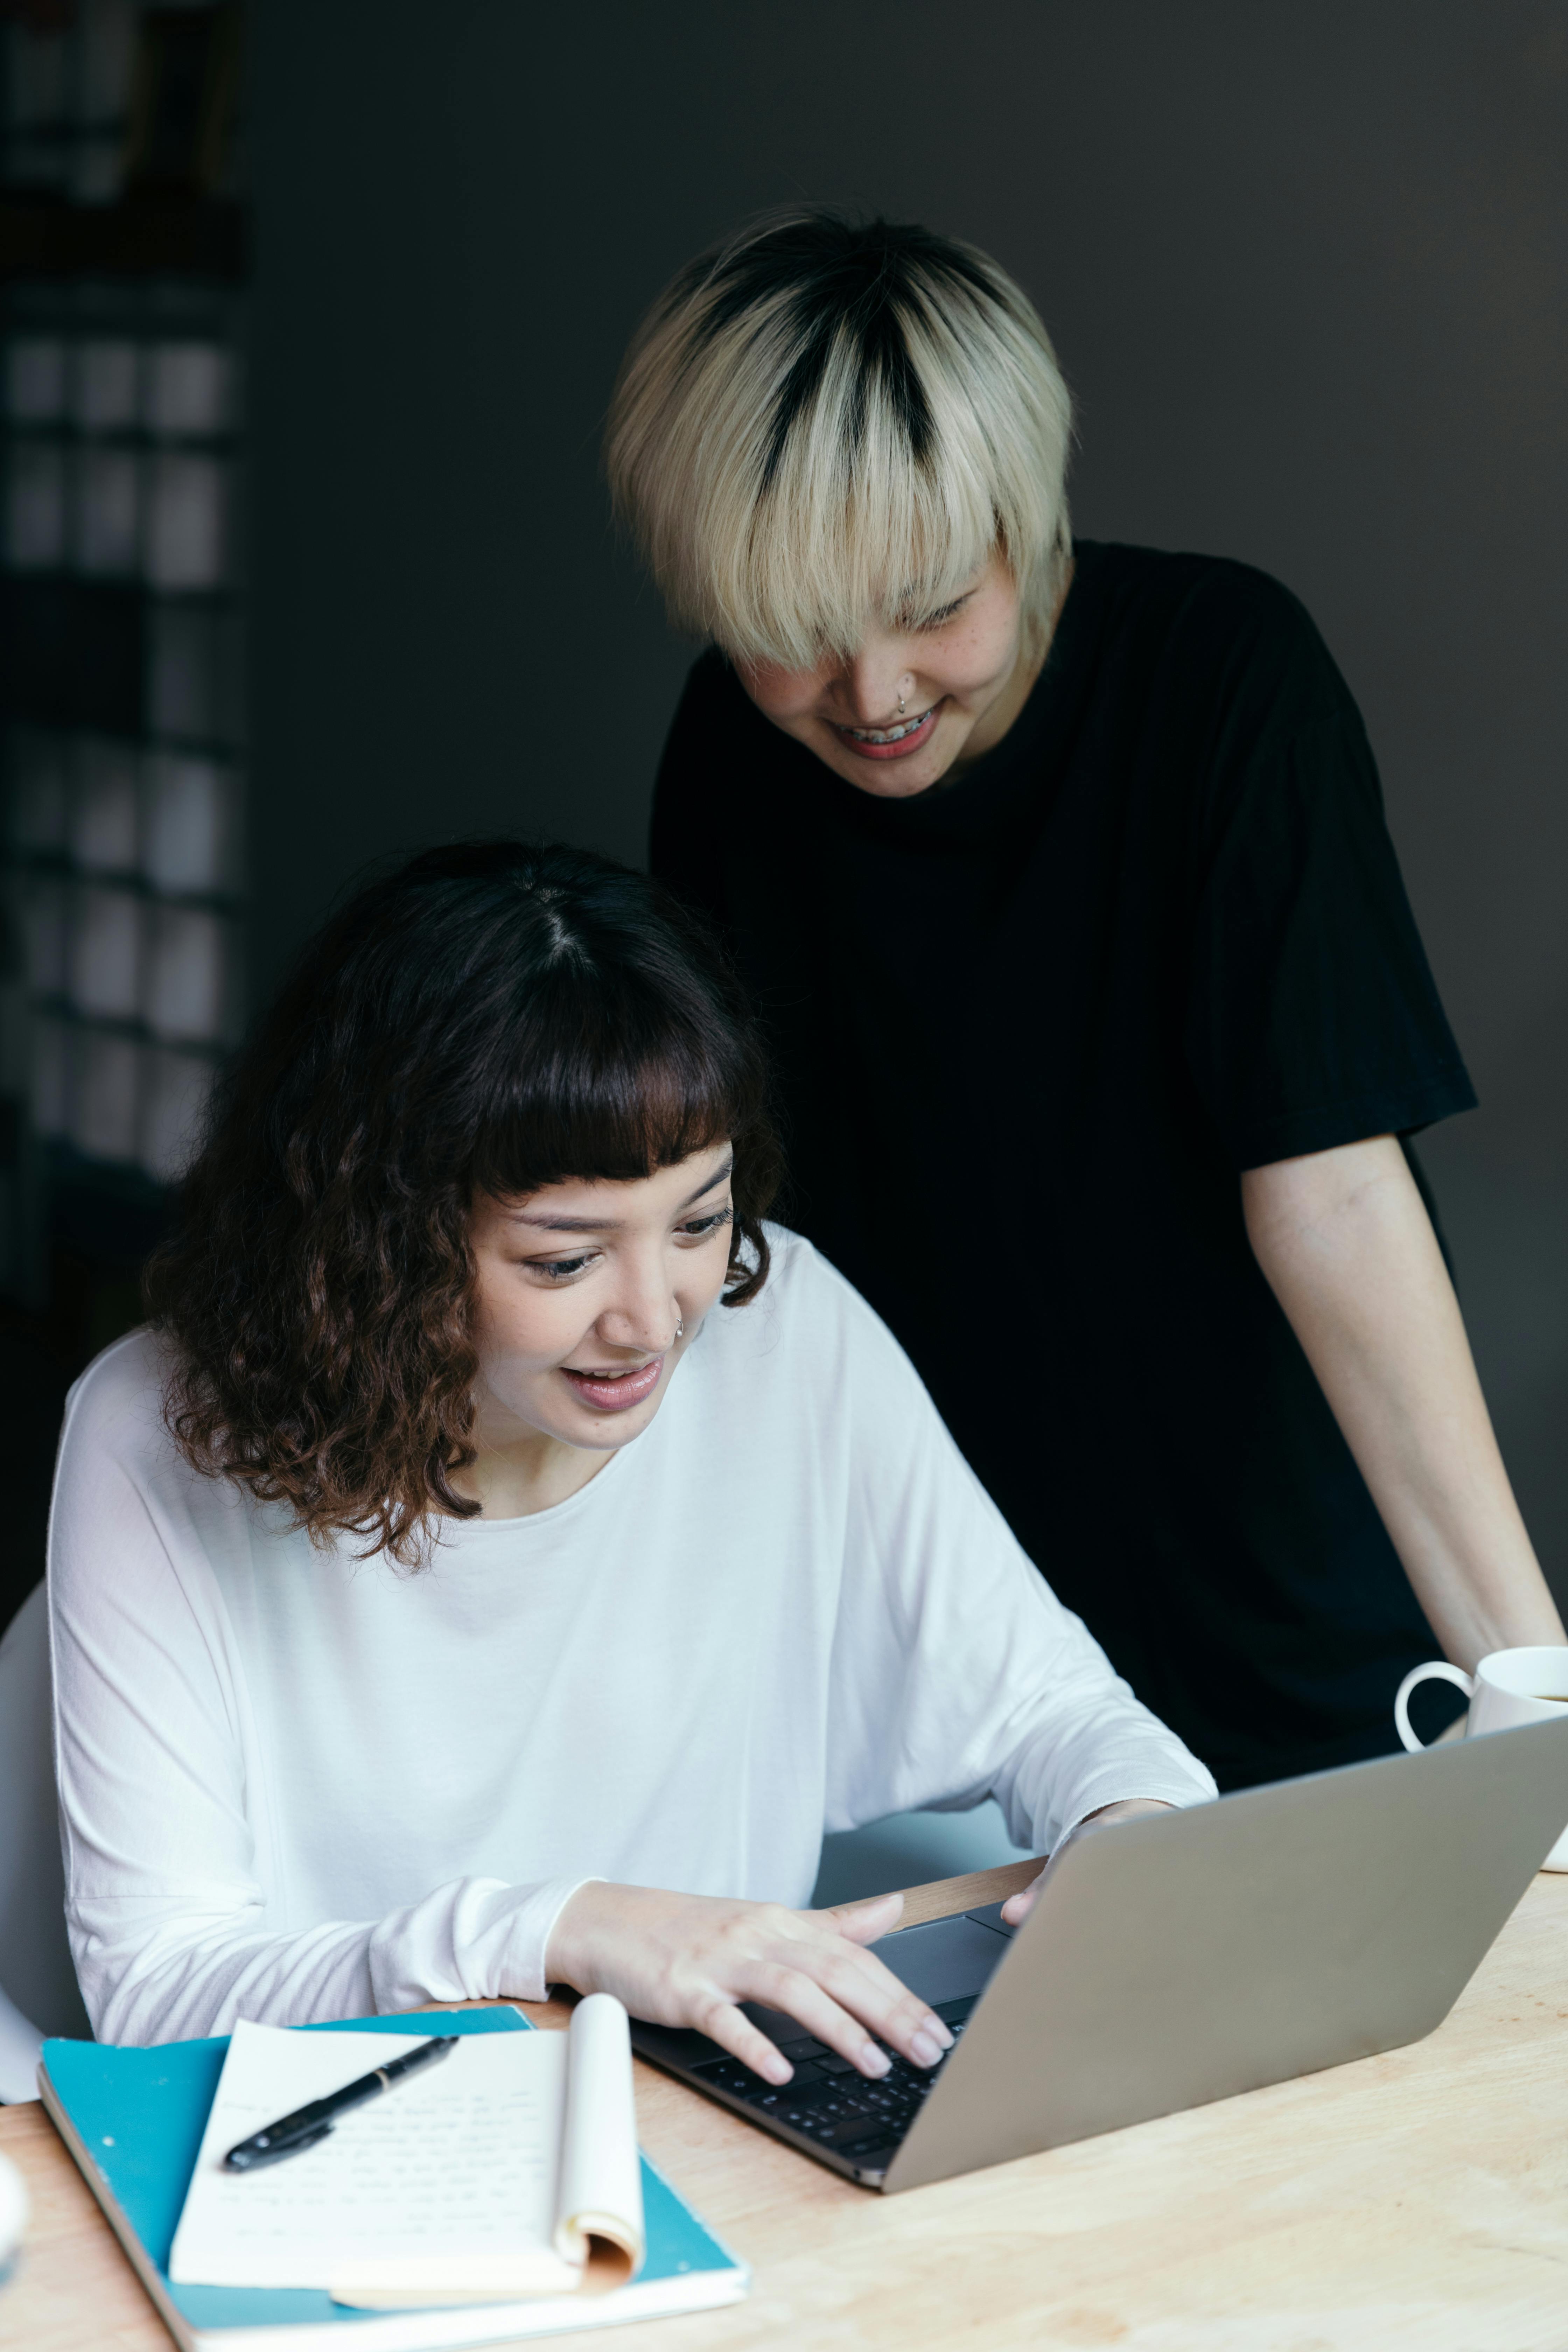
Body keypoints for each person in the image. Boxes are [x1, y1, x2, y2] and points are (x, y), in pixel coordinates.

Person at [607, 209, 1564, 1795]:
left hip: (1276, 1597)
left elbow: (1329, 1188)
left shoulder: (1223, 685)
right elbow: (742, 1237)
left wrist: (1529, 1699)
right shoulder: (727, 754)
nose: (872, 693)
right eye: (790, 632)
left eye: (927, 604)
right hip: (956, 1633)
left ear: (1022, 513)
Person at [49, 841, 1213, 2063]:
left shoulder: (788, 1334)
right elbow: (157, 1991)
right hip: (354, 2142)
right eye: (564, 1259)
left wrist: (1128, 1828)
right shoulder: (157, 1432)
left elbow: (1061, 1710)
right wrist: (557, 1930)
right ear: (380, 1239)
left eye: (701, 1222)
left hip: (726, 2112)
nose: (653, 1318)